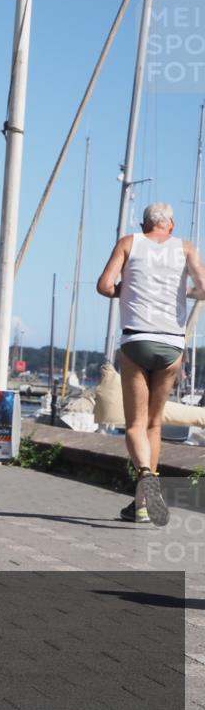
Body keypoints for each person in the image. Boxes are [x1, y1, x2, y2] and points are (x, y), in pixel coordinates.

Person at [96, 202, 205, 525]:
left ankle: (145, 474)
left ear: (145, 225)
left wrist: (126, 291)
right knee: (154, 424)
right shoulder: (185, 247)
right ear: (169, 225)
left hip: (137, 340)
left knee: (134, 425)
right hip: (171, 343)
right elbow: (204, 288)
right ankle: (141, 505)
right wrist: (183, 292)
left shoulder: (129, 243)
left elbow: (104, 285)